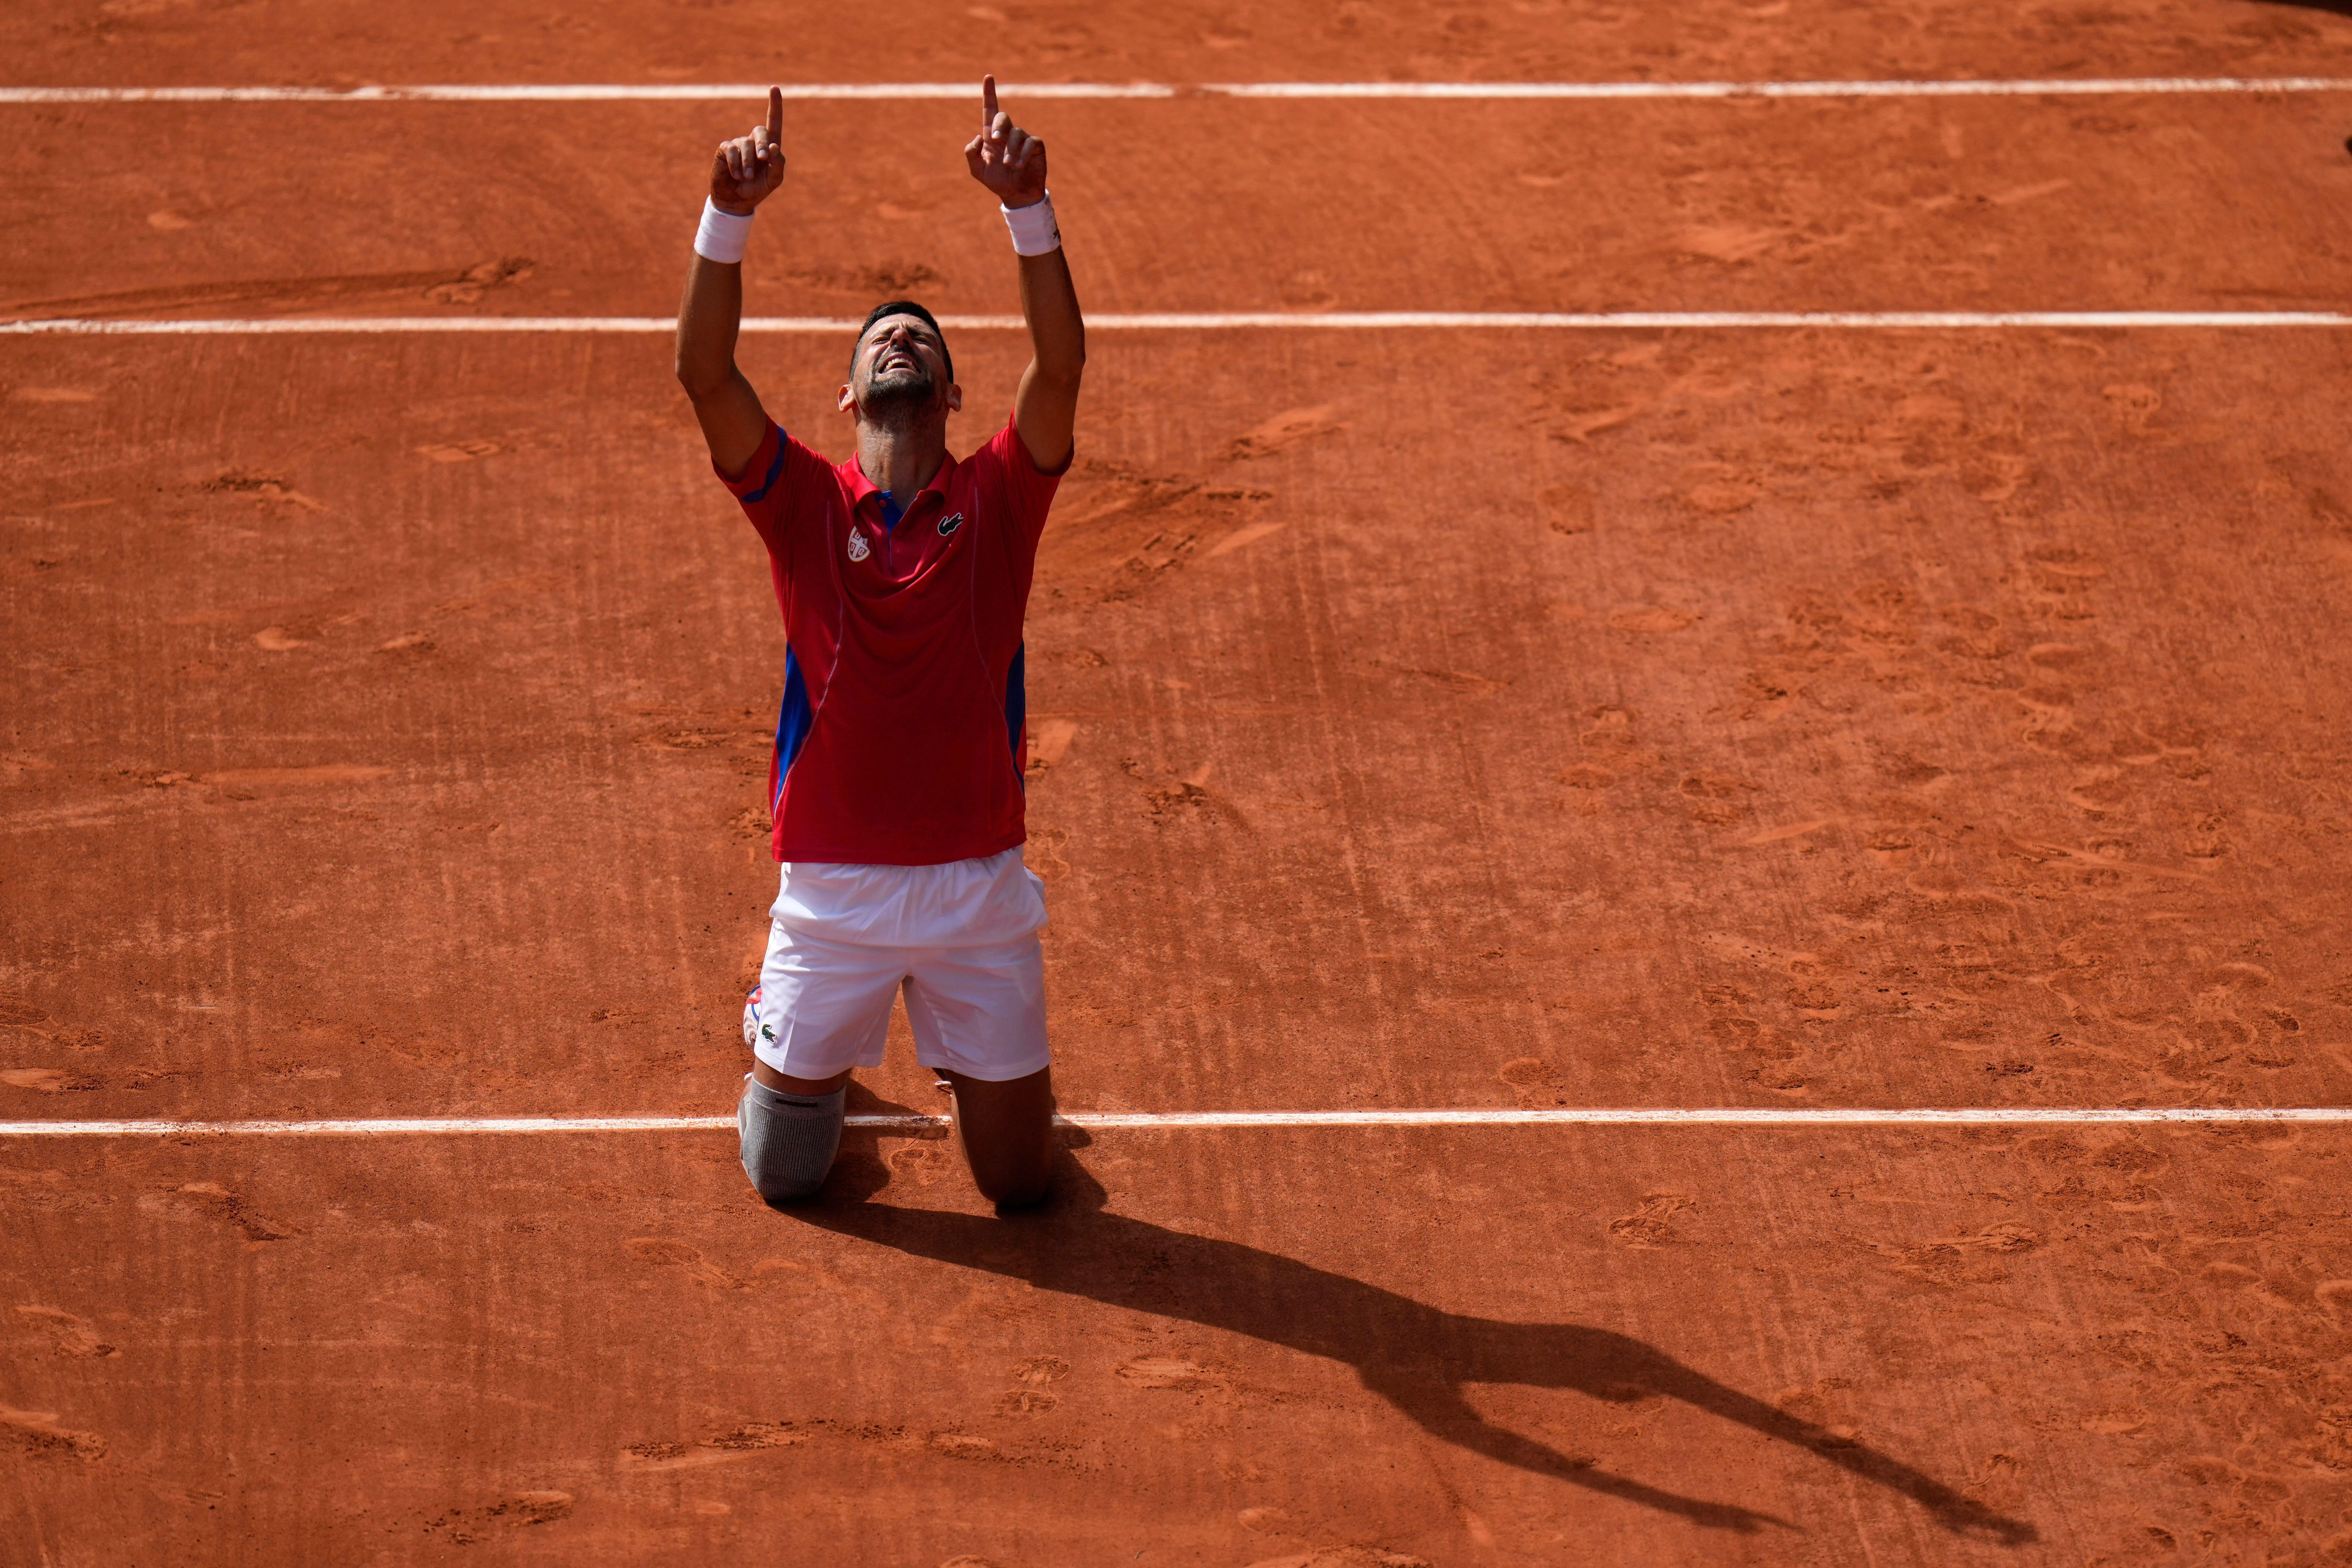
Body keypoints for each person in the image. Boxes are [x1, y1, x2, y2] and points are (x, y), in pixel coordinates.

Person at [673, 78, 1084, 1212]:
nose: (897, 336)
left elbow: (1061, 371)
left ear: (951, 394)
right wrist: (728, 217)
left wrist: (1028, 212)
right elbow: (705, 375)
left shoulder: (1000, 498)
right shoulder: (803, 503)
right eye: (878, 339)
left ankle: (978, 1079)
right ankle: (785, 1027)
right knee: (785, 1176)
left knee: (1021, 1188)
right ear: (848, 399)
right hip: (835, 894)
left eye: (919, 338)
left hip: (975, 890)